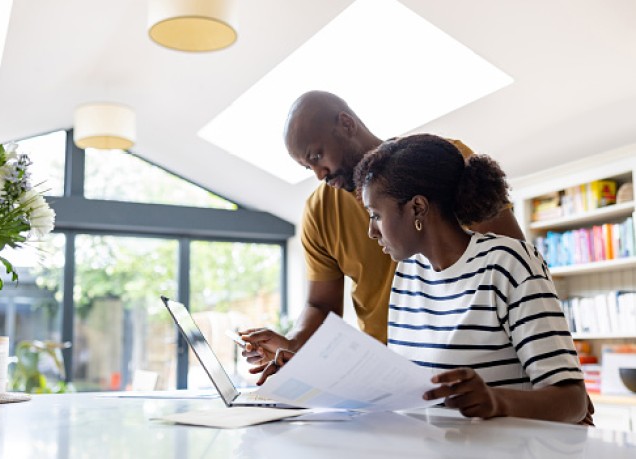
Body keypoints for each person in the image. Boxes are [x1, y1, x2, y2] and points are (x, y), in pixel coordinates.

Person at [256, 133, 592, 425]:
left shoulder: (509, 263)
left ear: (417, 208)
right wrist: (309, 374)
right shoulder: (408, 276)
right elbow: (406, 388)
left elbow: (573, 401)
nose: (371, 231)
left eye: (376, 215)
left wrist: (495, 402)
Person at [240, 90, 525, 367]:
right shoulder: (318, 211)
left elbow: (513, 261)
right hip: (388, 371)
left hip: (470, 356)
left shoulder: (440, 163)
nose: (319, 175)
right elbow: (321, 306)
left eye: (316, 156)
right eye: (307, 167)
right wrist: (292, 345)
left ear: (347, 125)